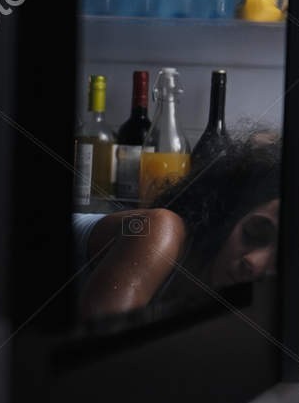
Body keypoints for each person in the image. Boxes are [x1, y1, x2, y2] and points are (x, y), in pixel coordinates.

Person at [73, 135, 282, 321]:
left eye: (279, 260)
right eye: (254, 233)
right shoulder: (160, 230)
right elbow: (99, 350)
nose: (253, 262)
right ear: (232, 215)